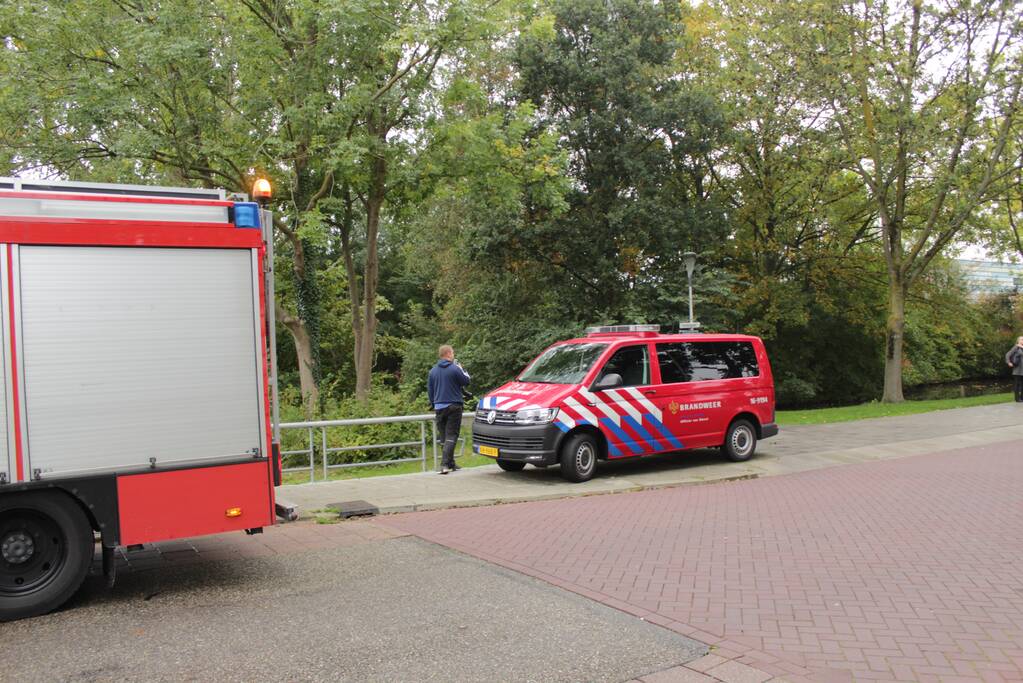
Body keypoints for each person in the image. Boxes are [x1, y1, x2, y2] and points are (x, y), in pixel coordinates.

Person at [428, 345, 471, 474]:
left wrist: (433, 403)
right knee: (452, 435)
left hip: (439, 407)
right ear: (448, 354)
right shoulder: (455, 368)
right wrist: (462, 369)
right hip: (454, 406)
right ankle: (444, 464)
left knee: (444, 437)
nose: (453, 355)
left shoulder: (433, 371)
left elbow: (430, 391)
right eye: (452, 353)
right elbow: (466, 381)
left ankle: (451, 463)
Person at [1007, 336, 1023, 403]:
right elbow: (1008, 354)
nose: (1022, 341)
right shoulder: (1016, 347)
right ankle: (1017, 399)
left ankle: (1022, 398)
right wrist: (1009, 362)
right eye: (1021, 339)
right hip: (1017, 370)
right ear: (1018, 341)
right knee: (1017, 385)